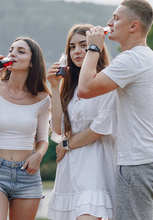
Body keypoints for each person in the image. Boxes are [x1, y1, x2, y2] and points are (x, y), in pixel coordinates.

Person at [78, 0, 153, 220]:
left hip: (138, 166)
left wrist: (94, 47)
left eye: (116, 17)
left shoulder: (132, 60)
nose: (109, 22)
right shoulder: (148, 58)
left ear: (134, 26)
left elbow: (84, 89)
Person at [0, 37, 51, 220]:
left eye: (21, 51)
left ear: (32, 63)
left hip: (27, 174)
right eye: (11, 49)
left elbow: (43, 138)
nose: (13, 53)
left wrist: (39, 155)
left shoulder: (43, 98)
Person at [46, 24, 117, 220]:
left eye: (83, 45)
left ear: (96, 47)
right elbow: (59, 128)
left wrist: (67, 145)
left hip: (96, 168)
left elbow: (101, 127)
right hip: (71, 169)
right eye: (72, 46)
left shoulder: (107, 79)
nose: (77, 51)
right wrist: (54, 87)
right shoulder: (71, 87)